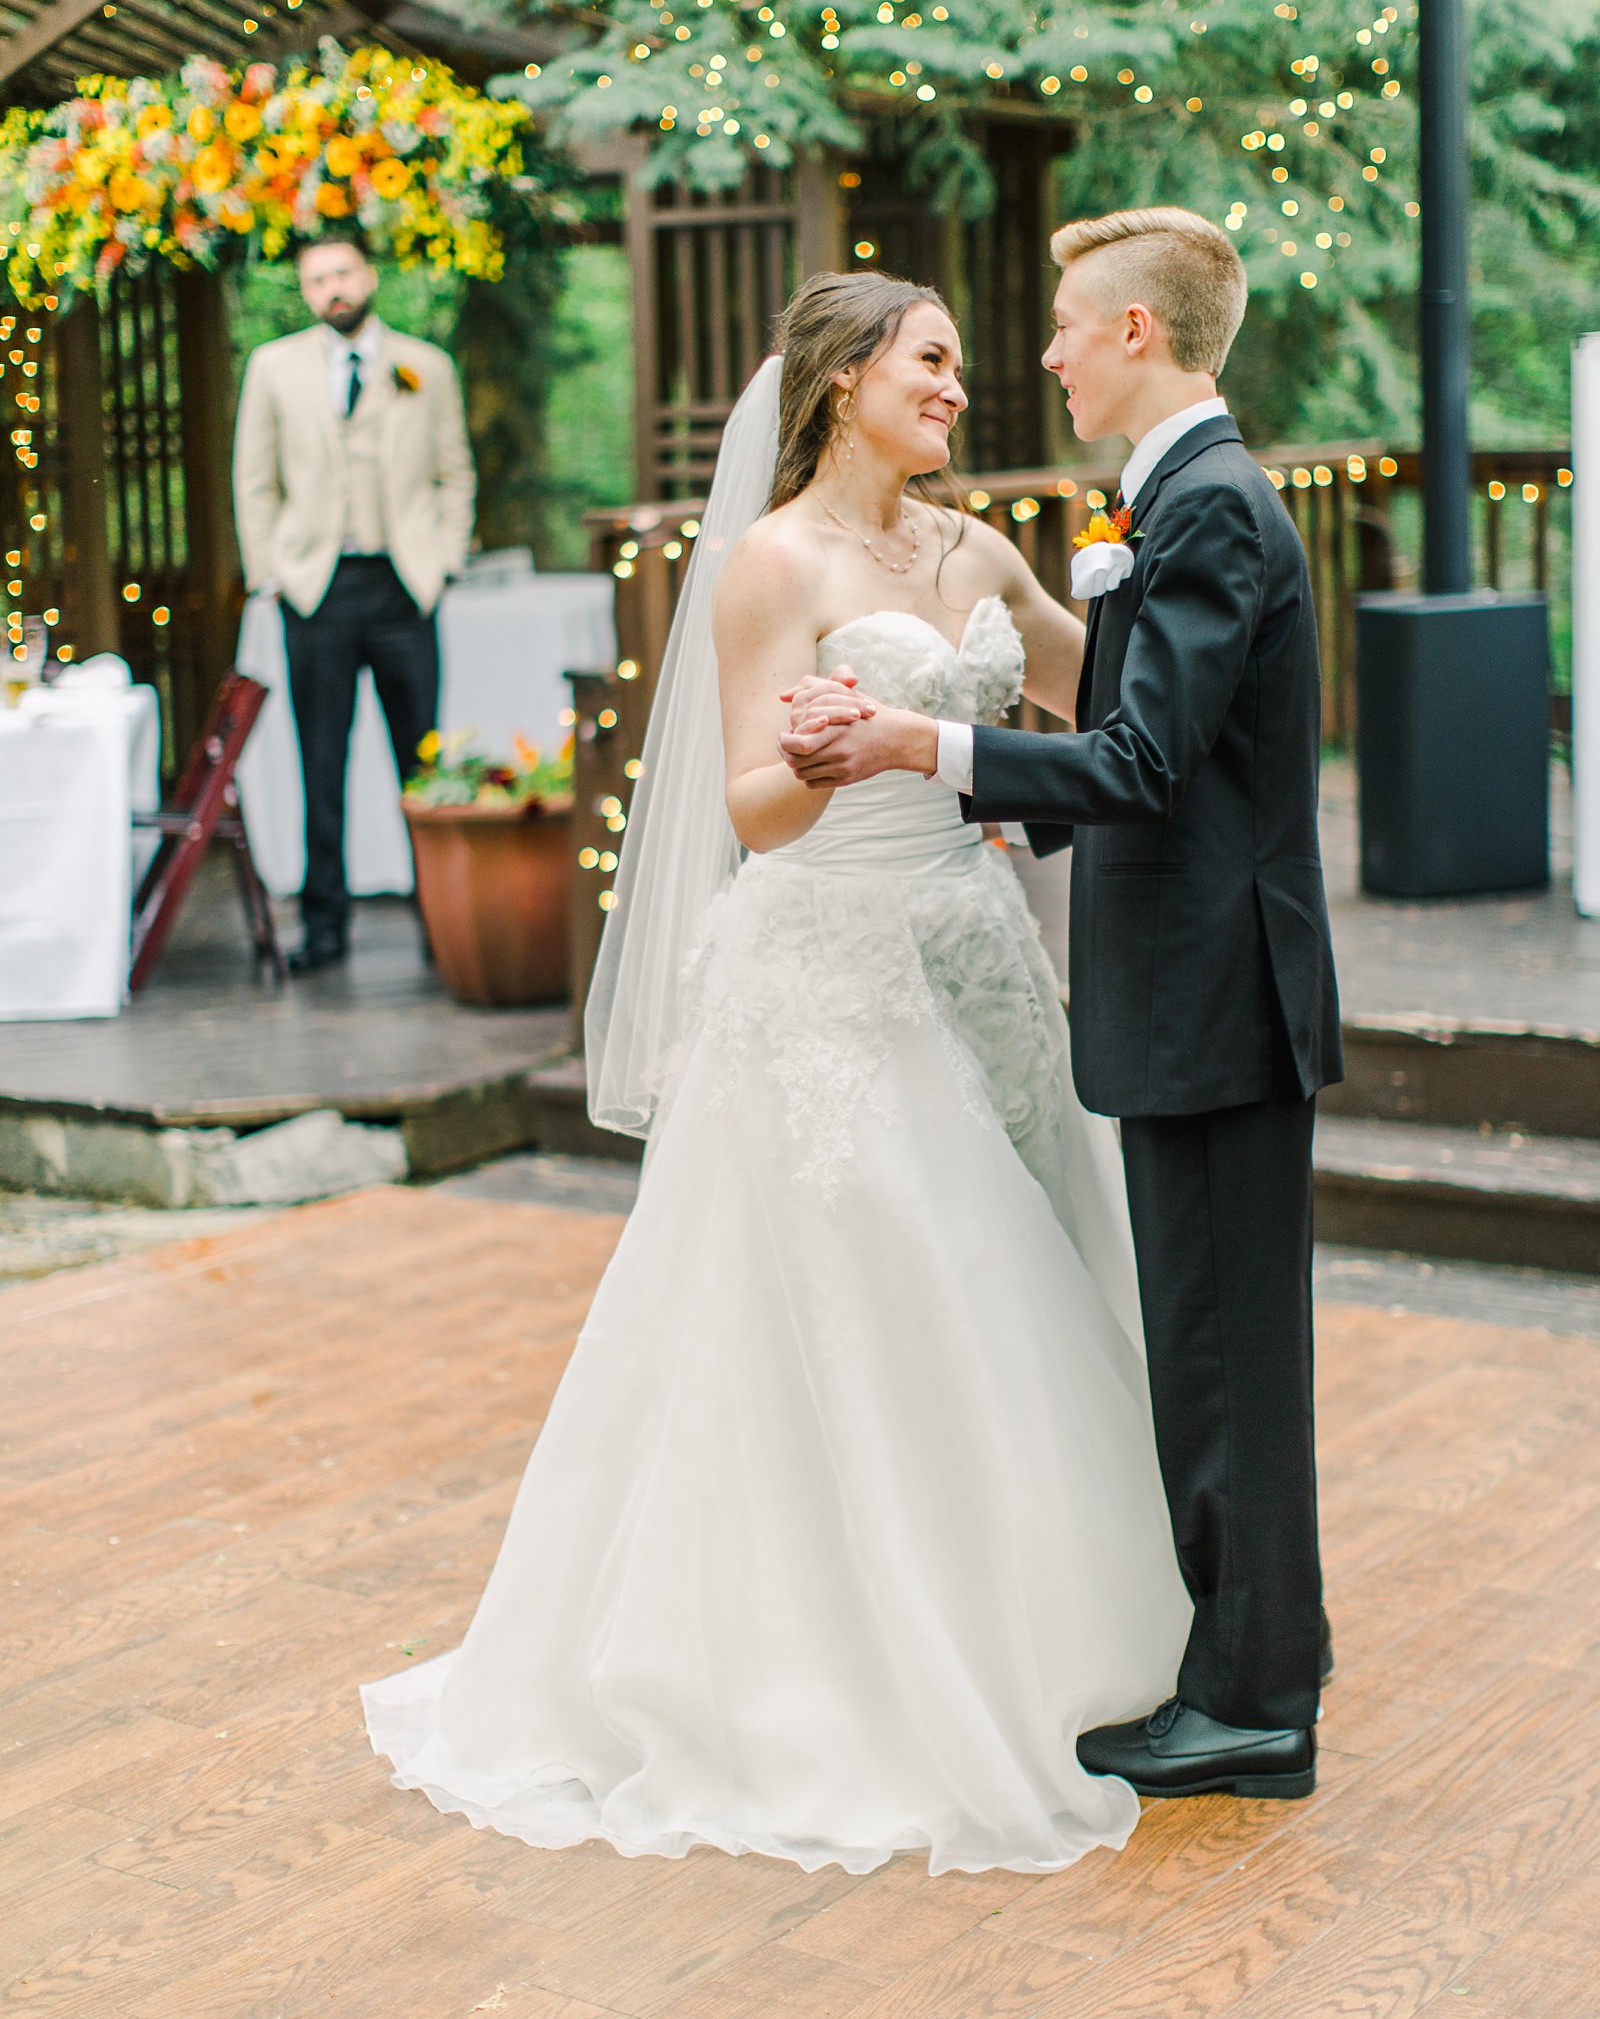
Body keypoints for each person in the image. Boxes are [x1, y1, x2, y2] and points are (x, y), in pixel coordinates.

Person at [362, 271, 1193, 1876]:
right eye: (934, 361)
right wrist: (829, 752)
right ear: (844, 382)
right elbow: (749, 806)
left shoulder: (976, 551)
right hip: (830, 972)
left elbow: (1106, 702)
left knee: (1042, 1268)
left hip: (979, 951)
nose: (961, 387)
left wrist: (1143, 604)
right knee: (913, 1291)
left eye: (959, 360)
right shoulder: (769, 563)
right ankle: (867, 1670)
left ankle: (1073, 1639)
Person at [781, 208, 1343, 1801]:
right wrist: (1015, 806)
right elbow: (1157, 748)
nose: (1045, 355)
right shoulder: (1180, 507)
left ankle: (1251, 1702)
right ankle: (1267, 1650)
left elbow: (1150, 765)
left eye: (1065, 326)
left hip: (1217, 1003)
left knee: (1226, 1357)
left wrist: (920, 752)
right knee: (1219, 1348)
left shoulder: (1213, 512)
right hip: (1205, 997)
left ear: (1139, 337)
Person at [232, 231, 475, 973]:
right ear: (305, 293)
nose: (330, 289)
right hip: (316, 589)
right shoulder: (272, 369)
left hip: (403, 585)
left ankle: (441, 920)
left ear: (368, 276)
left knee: (421, 765)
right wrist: (272, 572)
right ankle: (325, 927)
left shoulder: (424, 367)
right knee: (321, 760)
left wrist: (442, 564)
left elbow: (453, 472)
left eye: (341, 273)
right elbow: (255, 480)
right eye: (315, 280)